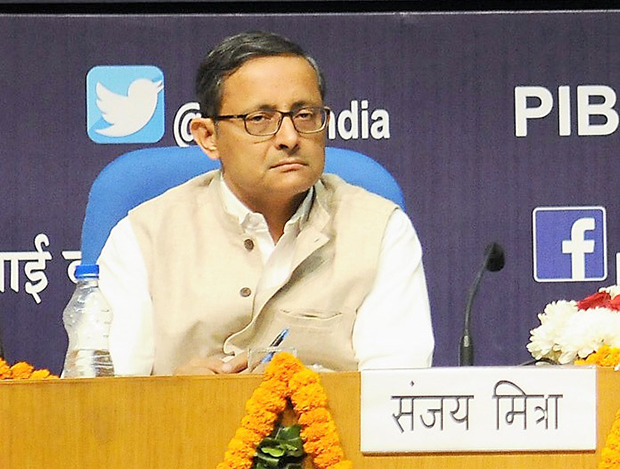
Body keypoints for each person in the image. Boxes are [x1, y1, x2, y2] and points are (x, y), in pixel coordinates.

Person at [98, 31, 434, 376]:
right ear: (208, 137)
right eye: (259, 119)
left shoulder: (378, 230)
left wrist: (294, 390)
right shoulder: (142, 237)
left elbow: (394, 394)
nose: (289, 138)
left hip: (329, 429)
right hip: (178, 428)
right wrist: (178, 399)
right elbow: (102, 399)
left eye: (305, 115)